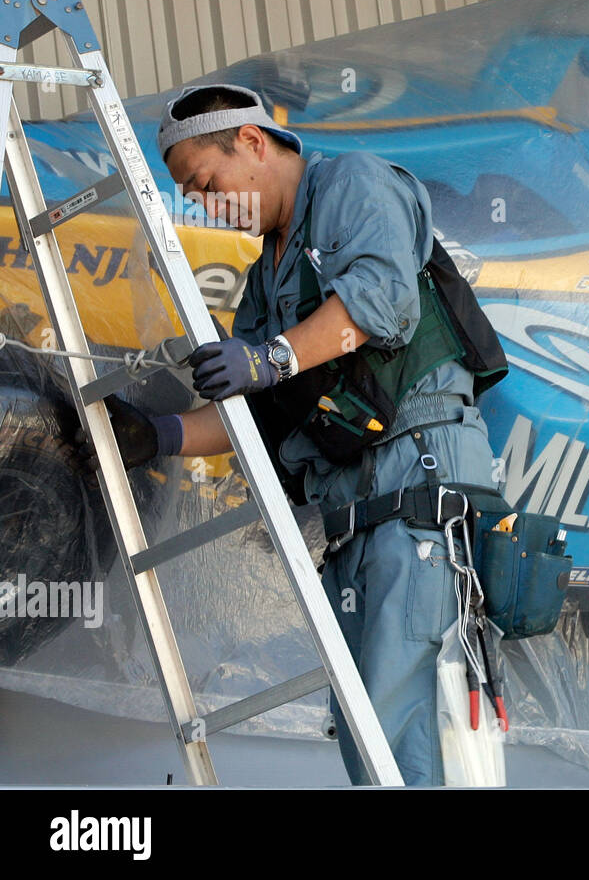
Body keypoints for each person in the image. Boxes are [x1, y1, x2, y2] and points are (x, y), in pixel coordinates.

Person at [99, 83, 507, 786]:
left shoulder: (351, 183)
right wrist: (160, 435)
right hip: (353, 522)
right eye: (192, 195)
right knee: (360, 724)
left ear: (253, 143)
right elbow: (259, 414)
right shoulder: (266, 279)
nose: (205, 203)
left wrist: (270, 356)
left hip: (417, 490)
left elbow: (382, 299)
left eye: (206, 182)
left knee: (390, 715)